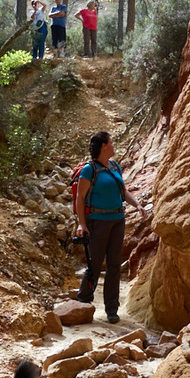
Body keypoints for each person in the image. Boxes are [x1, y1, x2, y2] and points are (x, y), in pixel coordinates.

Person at [75, 129, 142, 322]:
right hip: (97, 222)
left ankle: (111, 310)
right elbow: (80, 198)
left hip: (117, 221)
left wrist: (137, 205)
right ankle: (83, 302)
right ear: (103, 146)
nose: (113, 145)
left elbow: (124, 192)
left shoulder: (115, 167)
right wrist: (82, 224)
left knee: (114, 265)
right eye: (111, 142)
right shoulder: (90, 170)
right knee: (94, 264)